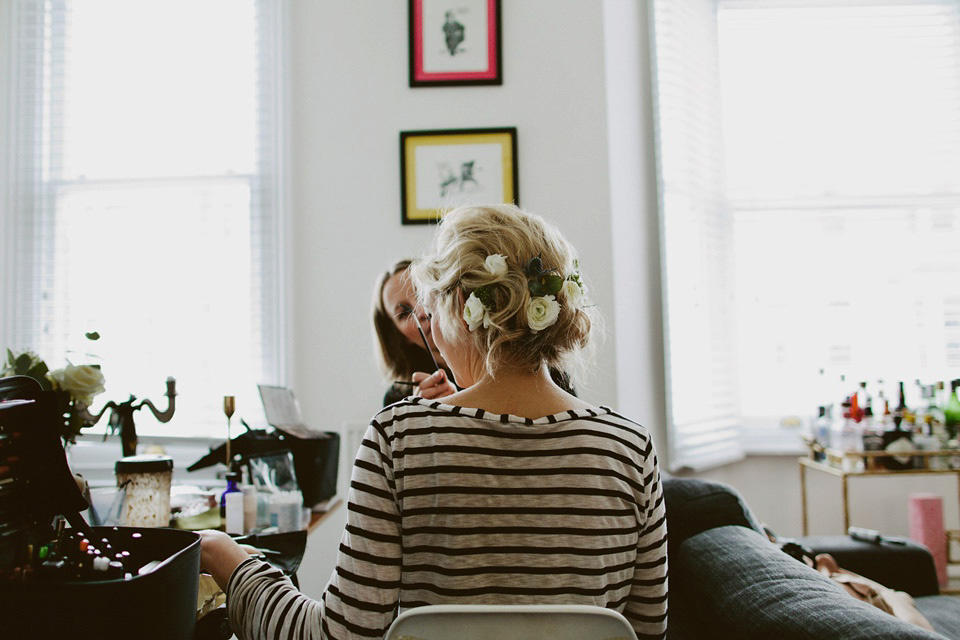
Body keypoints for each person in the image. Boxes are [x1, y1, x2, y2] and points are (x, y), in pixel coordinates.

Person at [200, 204, 668, 640]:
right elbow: (647, 632)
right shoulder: (630, 447)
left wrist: (228, 557)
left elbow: (338, 637)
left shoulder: (397, 439)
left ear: (461, 305)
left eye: (429, 309)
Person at [372, 259, 457, 406]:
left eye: (423, 293)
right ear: (400, 337)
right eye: (404, 313)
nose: (422, 312)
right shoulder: (398, 401)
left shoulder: (497, 357)